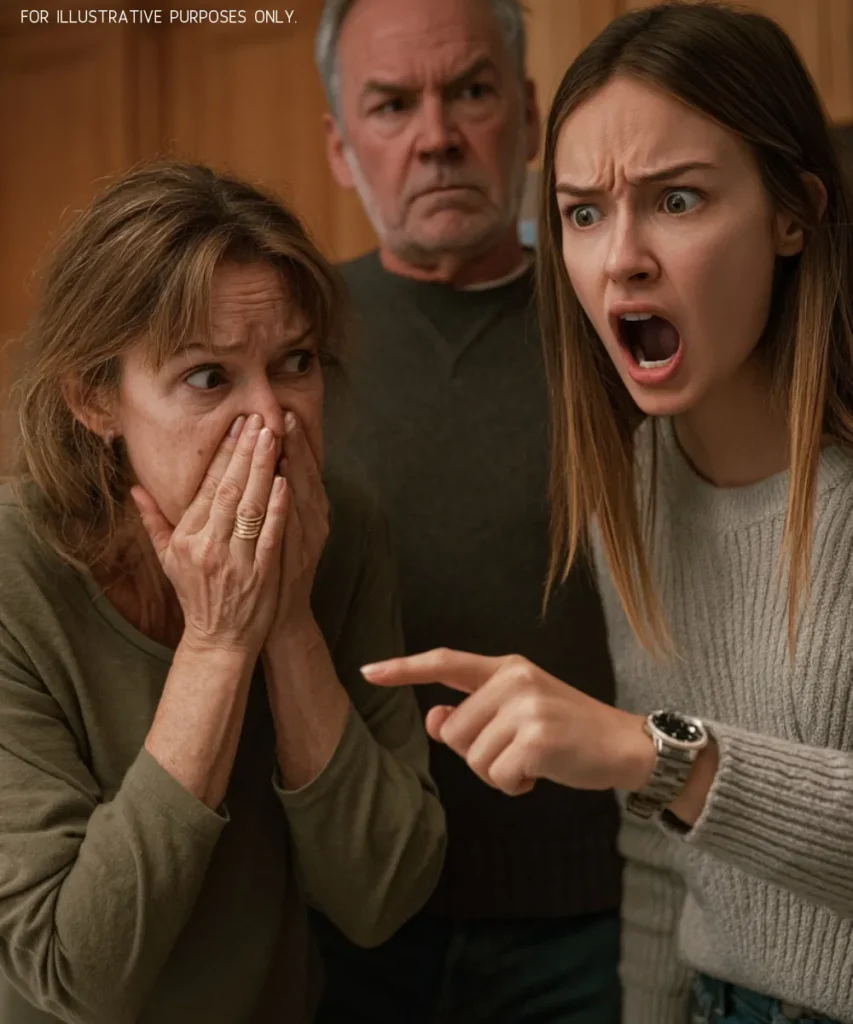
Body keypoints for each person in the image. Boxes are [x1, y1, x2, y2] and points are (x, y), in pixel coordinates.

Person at [361, 4, 853, 1024]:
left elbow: (656, 772)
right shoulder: (632, 486)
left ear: (792, 214)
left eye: (676, 199)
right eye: (582, 213)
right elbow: (661, 854)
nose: (621, 257)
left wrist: (656, 753)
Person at [0, 161, 446, 1024]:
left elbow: (383, 895)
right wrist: (215, 644)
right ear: (95, 398)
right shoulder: (14, 569)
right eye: (209, 377)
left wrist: (287, 620)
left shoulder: (341, 530)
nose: (272, 420)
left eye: (294, 363)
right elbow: (73, 973)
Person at [310, 0, 621, 1021]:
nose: (436, 136)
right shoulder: (282, 343)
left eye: (471, 92)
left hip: (591, 918)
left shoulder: (622, 318)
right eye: (392, 105)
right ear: (341, 148)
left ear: (528, 116)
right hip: (346, 921)